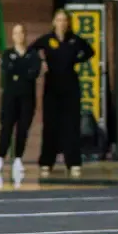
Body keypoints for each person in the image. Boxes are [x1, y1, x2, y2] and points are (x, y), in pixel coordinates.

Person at [31, 9, 92, 179]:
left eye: (64, 20)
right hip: (52, 86)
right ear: (54, 22)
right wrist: (41, 62)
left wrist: (76, 60)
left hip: (70, 85)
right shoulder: (47, 40)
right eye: (58, 20)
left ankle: (73, 163)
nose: (62, 23)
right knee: (50, 124)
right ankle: (46, 162)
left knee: (71, 125)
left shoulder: (74, 40)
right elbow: (32, 50)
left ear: (68, 22)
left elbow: (90, 51)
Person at [0, 22, 38, 185]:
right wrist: (22, 72)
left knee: (23, 128)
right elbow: (8, 69)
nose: (19, 36)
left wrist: (20, 73)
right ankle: (0, 158)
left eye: (21, 33)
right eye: (16, 33)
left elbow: (34, 72)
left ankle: (18, 158)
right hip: (10, 97)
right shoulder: (7, 54)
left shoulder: (32, 54)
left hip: (27, 96)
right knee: (6, 127)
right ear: (12, 36)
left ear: (25, 35)